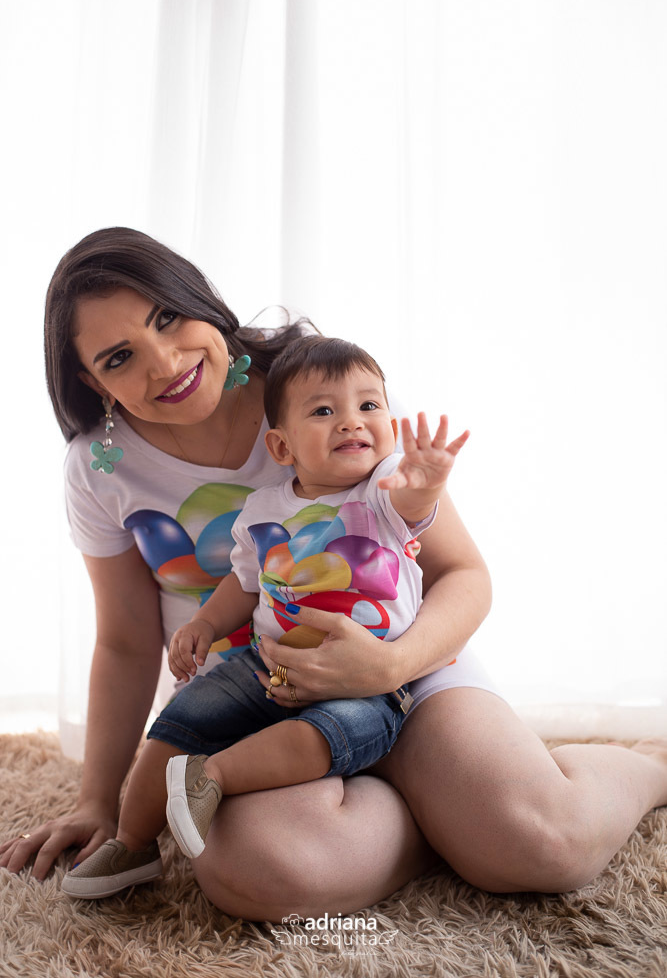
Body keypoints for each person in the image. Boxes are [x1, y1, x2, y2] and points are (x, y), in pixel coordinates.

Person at [1, 227, 665, 923]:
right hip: (258, 702)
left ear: (197, 297)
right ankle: (436, 820)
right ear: (89, 380)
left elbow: (461, 572)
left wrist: (387, 666)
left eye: (167, 318)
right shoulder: (98, 469)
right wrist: (97, 804)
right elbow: (127, 642)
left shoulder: (315, 388)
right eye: (119, 356)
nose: (164, 363)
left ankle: (646, 767)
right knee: (250, 875)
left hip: (407, 672)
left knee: (542, 847)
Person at [60, 335, 469, 898]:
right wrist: (205, 624)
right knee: (184, 717)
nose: (352, 422)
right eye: (325, 412)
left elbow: (413, 508)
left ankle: (215, 777)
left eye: (369, 406)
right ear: (281, 447)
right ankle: (131, 845)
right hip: (265, 664)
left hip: (368, 682)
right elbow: (244, 583)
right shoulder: (264, 509)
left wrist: (428, 484)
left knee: (329, 736)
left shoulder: (381, 493)